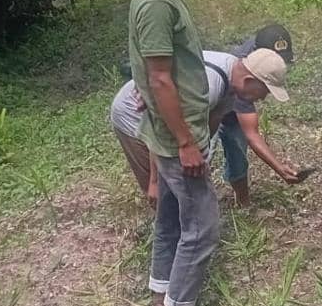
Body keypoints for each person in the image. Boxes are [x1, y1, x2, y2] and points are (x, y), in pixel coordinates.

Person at [127, 0, 222, 306]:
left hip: (168, 133)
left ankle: (161, 289)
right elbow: (160, 77)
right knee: (202, 224)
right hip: (175, 138)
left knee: (170, 216)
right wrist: (186, 140)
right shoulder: (158, 1)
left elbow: (154, 74)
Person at [110, 48, 292, 206]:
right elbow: (162, 125)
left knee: (183, 191)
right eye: (264, 91)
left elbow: (211, 121)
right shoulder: (209, 85)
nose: (262, 98)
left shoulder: (232, 79)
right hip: (134, 114)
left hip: (166, 119)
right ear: (249, 79)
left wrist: (201, 160)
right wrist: (155, 181)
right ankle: (170, 239)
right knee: (166, 196)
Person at [217, 25, 302, 206]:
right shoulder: (244, 76)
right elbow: (251, 133)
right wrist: (279, 168)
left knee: (237, 153)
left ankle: (242, 203)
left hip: (225, 102)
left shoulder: (260, 60)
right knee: (206, 153)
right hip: (213, 106)